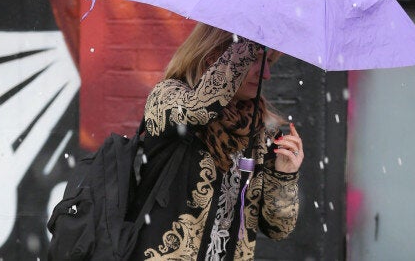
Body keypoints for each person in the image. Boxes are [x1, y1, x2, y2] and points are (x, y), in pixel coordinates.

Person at [130, 22, 305, 260]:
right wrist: (248, 37)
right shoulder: (167, 98)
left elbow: (278, 228)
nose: (266, 74)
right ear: (215, 55)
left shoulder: (260, 131)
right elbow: (200, 109)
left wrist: (284, 175)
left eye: (269, 63)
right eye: (256, 61)